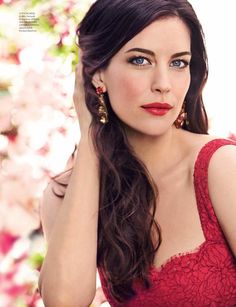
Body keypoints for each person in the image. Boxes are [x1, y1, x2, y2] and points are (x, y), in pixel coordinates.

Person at [38, 0, 236, 306]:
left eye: (178, 63)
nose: (163, 85)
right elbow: (64, 301)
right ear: (97, 72)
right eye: (140, 61)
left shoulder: (220, 168)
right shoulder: (65, 196)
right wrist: (91, 136)